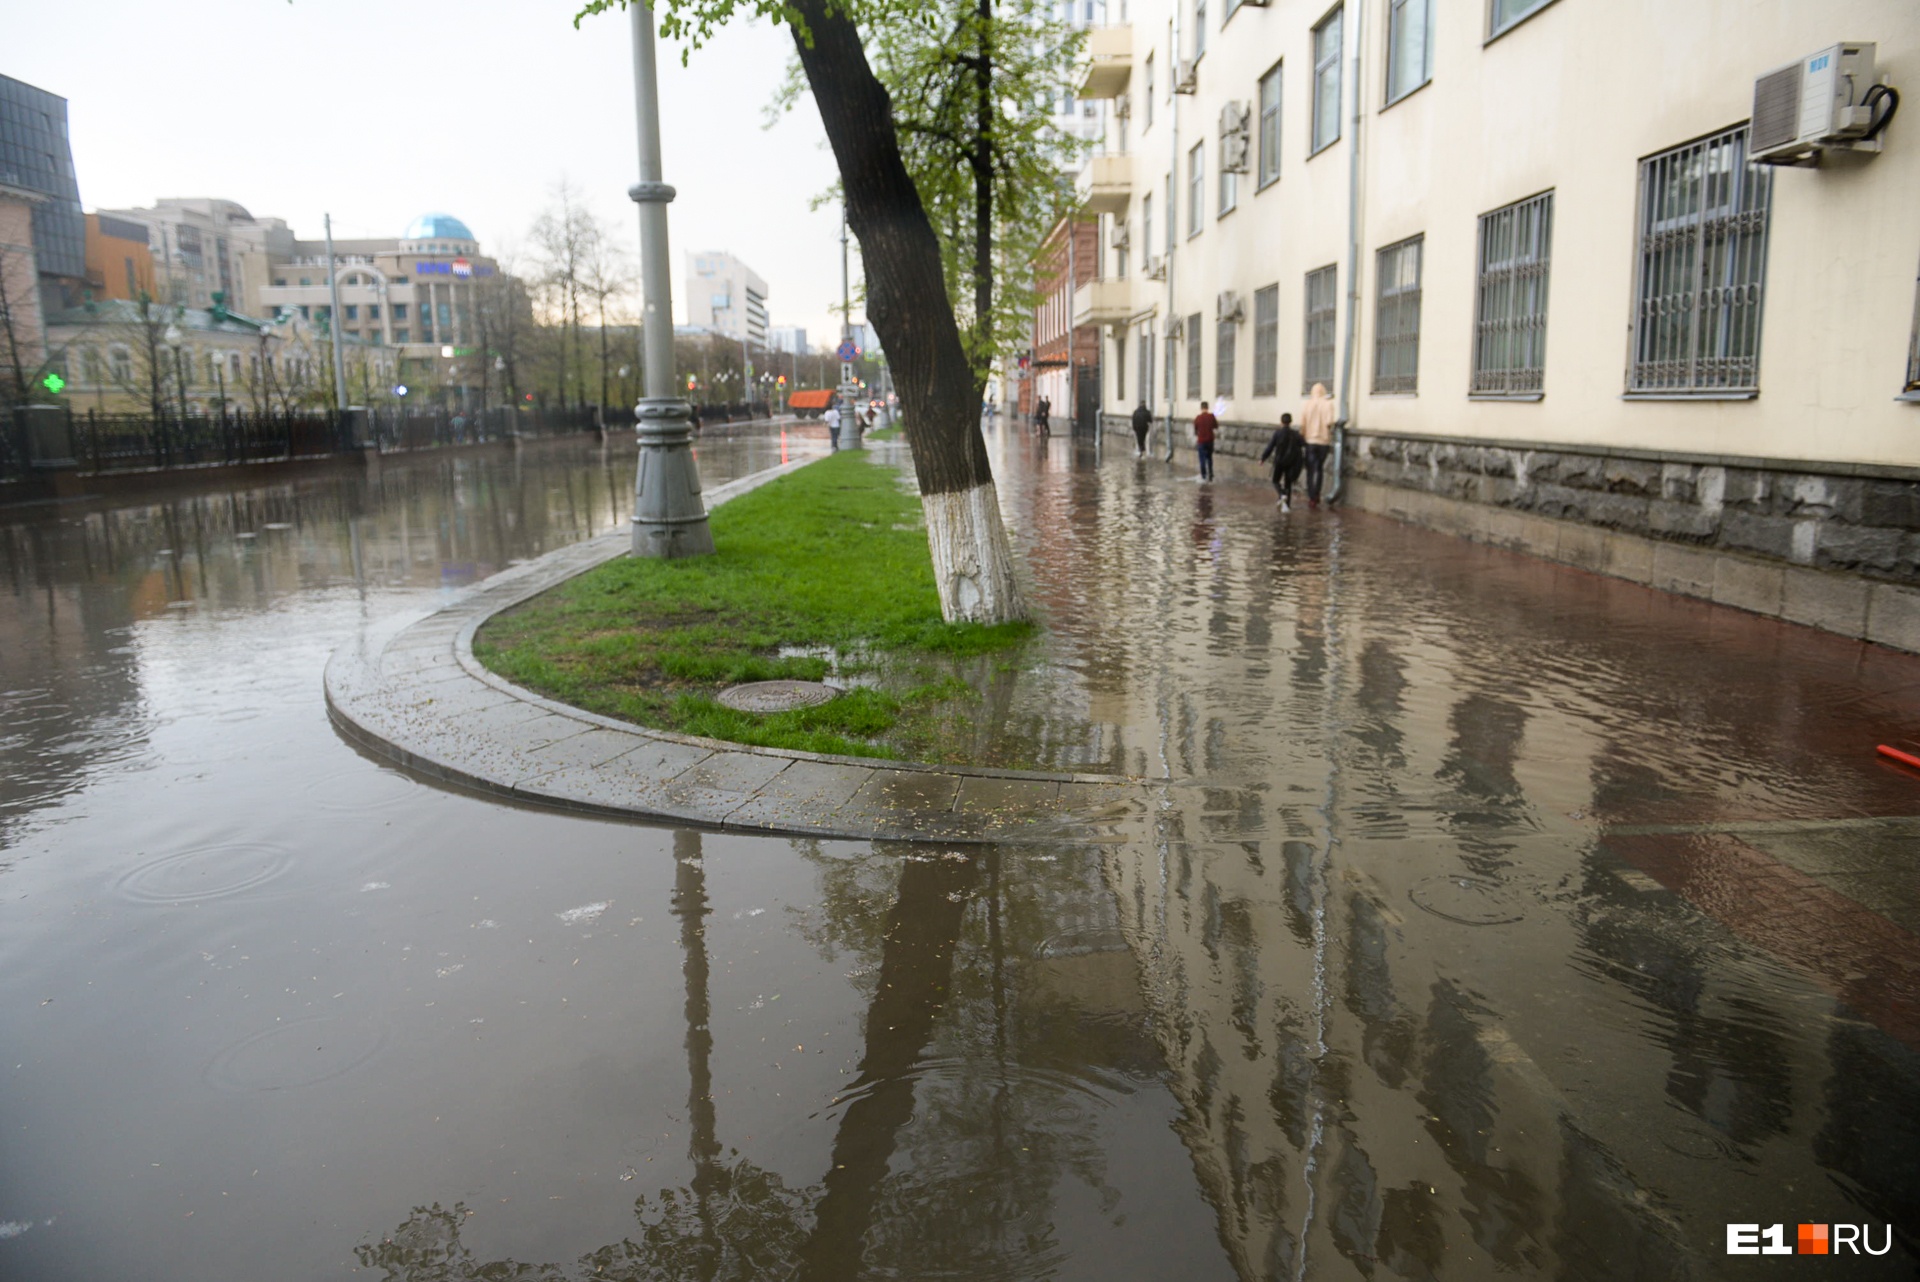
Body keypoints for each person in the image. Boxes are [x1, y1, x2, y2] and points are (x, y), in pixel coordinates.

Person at [1260, 412, 1306, 510]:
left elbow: (1270, 447)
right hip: (1291, 462)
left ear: (1281, 422)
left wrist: (1263, 458)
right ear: (1290, 422)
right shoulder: (1295, 434)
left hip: (1279, 461)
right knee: (1288, 483)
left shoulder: (1278, 433)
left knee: (1275, 480)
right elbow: (1303, 444)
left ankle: (1281, 494)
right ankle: (1287, 506)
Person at [1300, 382, 1336, 506]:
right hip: (1323, 442)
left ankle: (1311, 496)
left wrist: (1303, 436)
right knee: (1319, 468)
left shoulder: (1307, 404)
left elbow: (1303, 424)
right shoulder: (1328, 404)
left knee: (1310, 470)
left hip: (1310, 441)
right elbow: (1330, 422)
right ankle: (1317, 494)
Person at [1192, 400, 1218, 482]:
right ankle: (1210, 475)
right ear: (1207, 408)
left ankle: (1203, 476)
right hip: (1210, 441)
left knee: (1202, 459)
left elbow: (1195, 429)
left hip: (1201, 441)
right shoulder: (1211, 416)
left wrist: (1198, 433)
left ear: (1201, 408)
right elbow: (1216, 426)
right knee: (1209, 458)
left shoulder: (1198, 418)